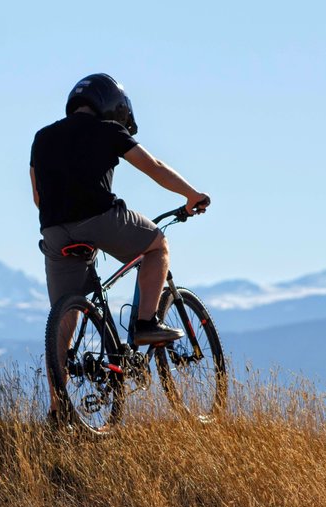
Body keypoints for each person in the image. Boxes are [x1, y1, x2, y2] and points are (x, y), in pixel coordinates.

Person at [29, 73, 210, 417]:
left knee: (64, 317)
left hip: (53, 231)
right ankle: (144, 325)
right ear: (111, 106)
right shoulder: (109, 131)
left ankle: (58, 410)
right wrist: (191, 195)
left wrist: (68, 225)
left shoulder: (42, 138)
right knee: (157, 246)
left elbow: (39, 196)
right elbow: (154, 167)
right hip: (100, 219)